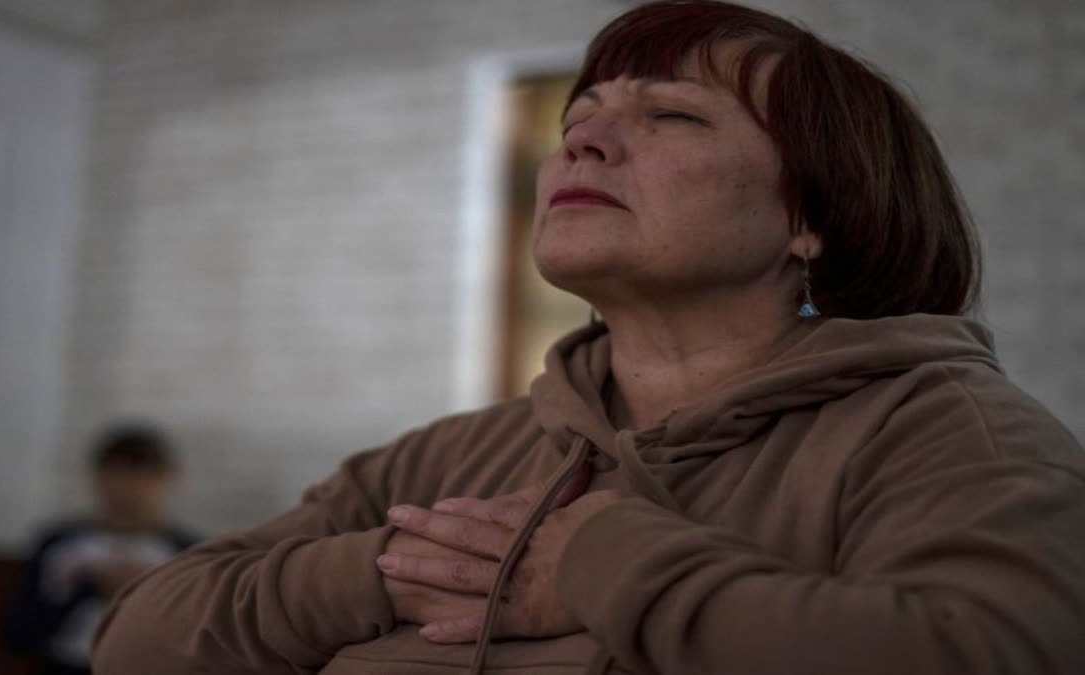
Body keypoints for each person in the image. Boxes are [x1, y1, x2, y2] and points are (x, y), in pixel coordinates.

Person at [92, 2, 1085, 673]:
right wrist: (379, 573)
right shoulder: (448, 454)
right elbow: (135, 641)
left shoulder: (948, 433)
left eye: (673, 116)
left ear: (810, 216)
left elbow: (993, 649)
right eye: (582, 116)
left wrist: (606, 566)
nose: (584, 140)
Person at [5, 423, 197, 675]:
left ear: (166, 480)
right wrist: (88, 587)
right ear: (96, 477)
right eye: (117, 475)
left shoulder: (188, 554)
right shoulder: (59, 544)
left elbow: (200, 640)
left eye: (142, 476)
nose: (128, 489)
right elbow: (18, 634)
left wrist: (143, 595)